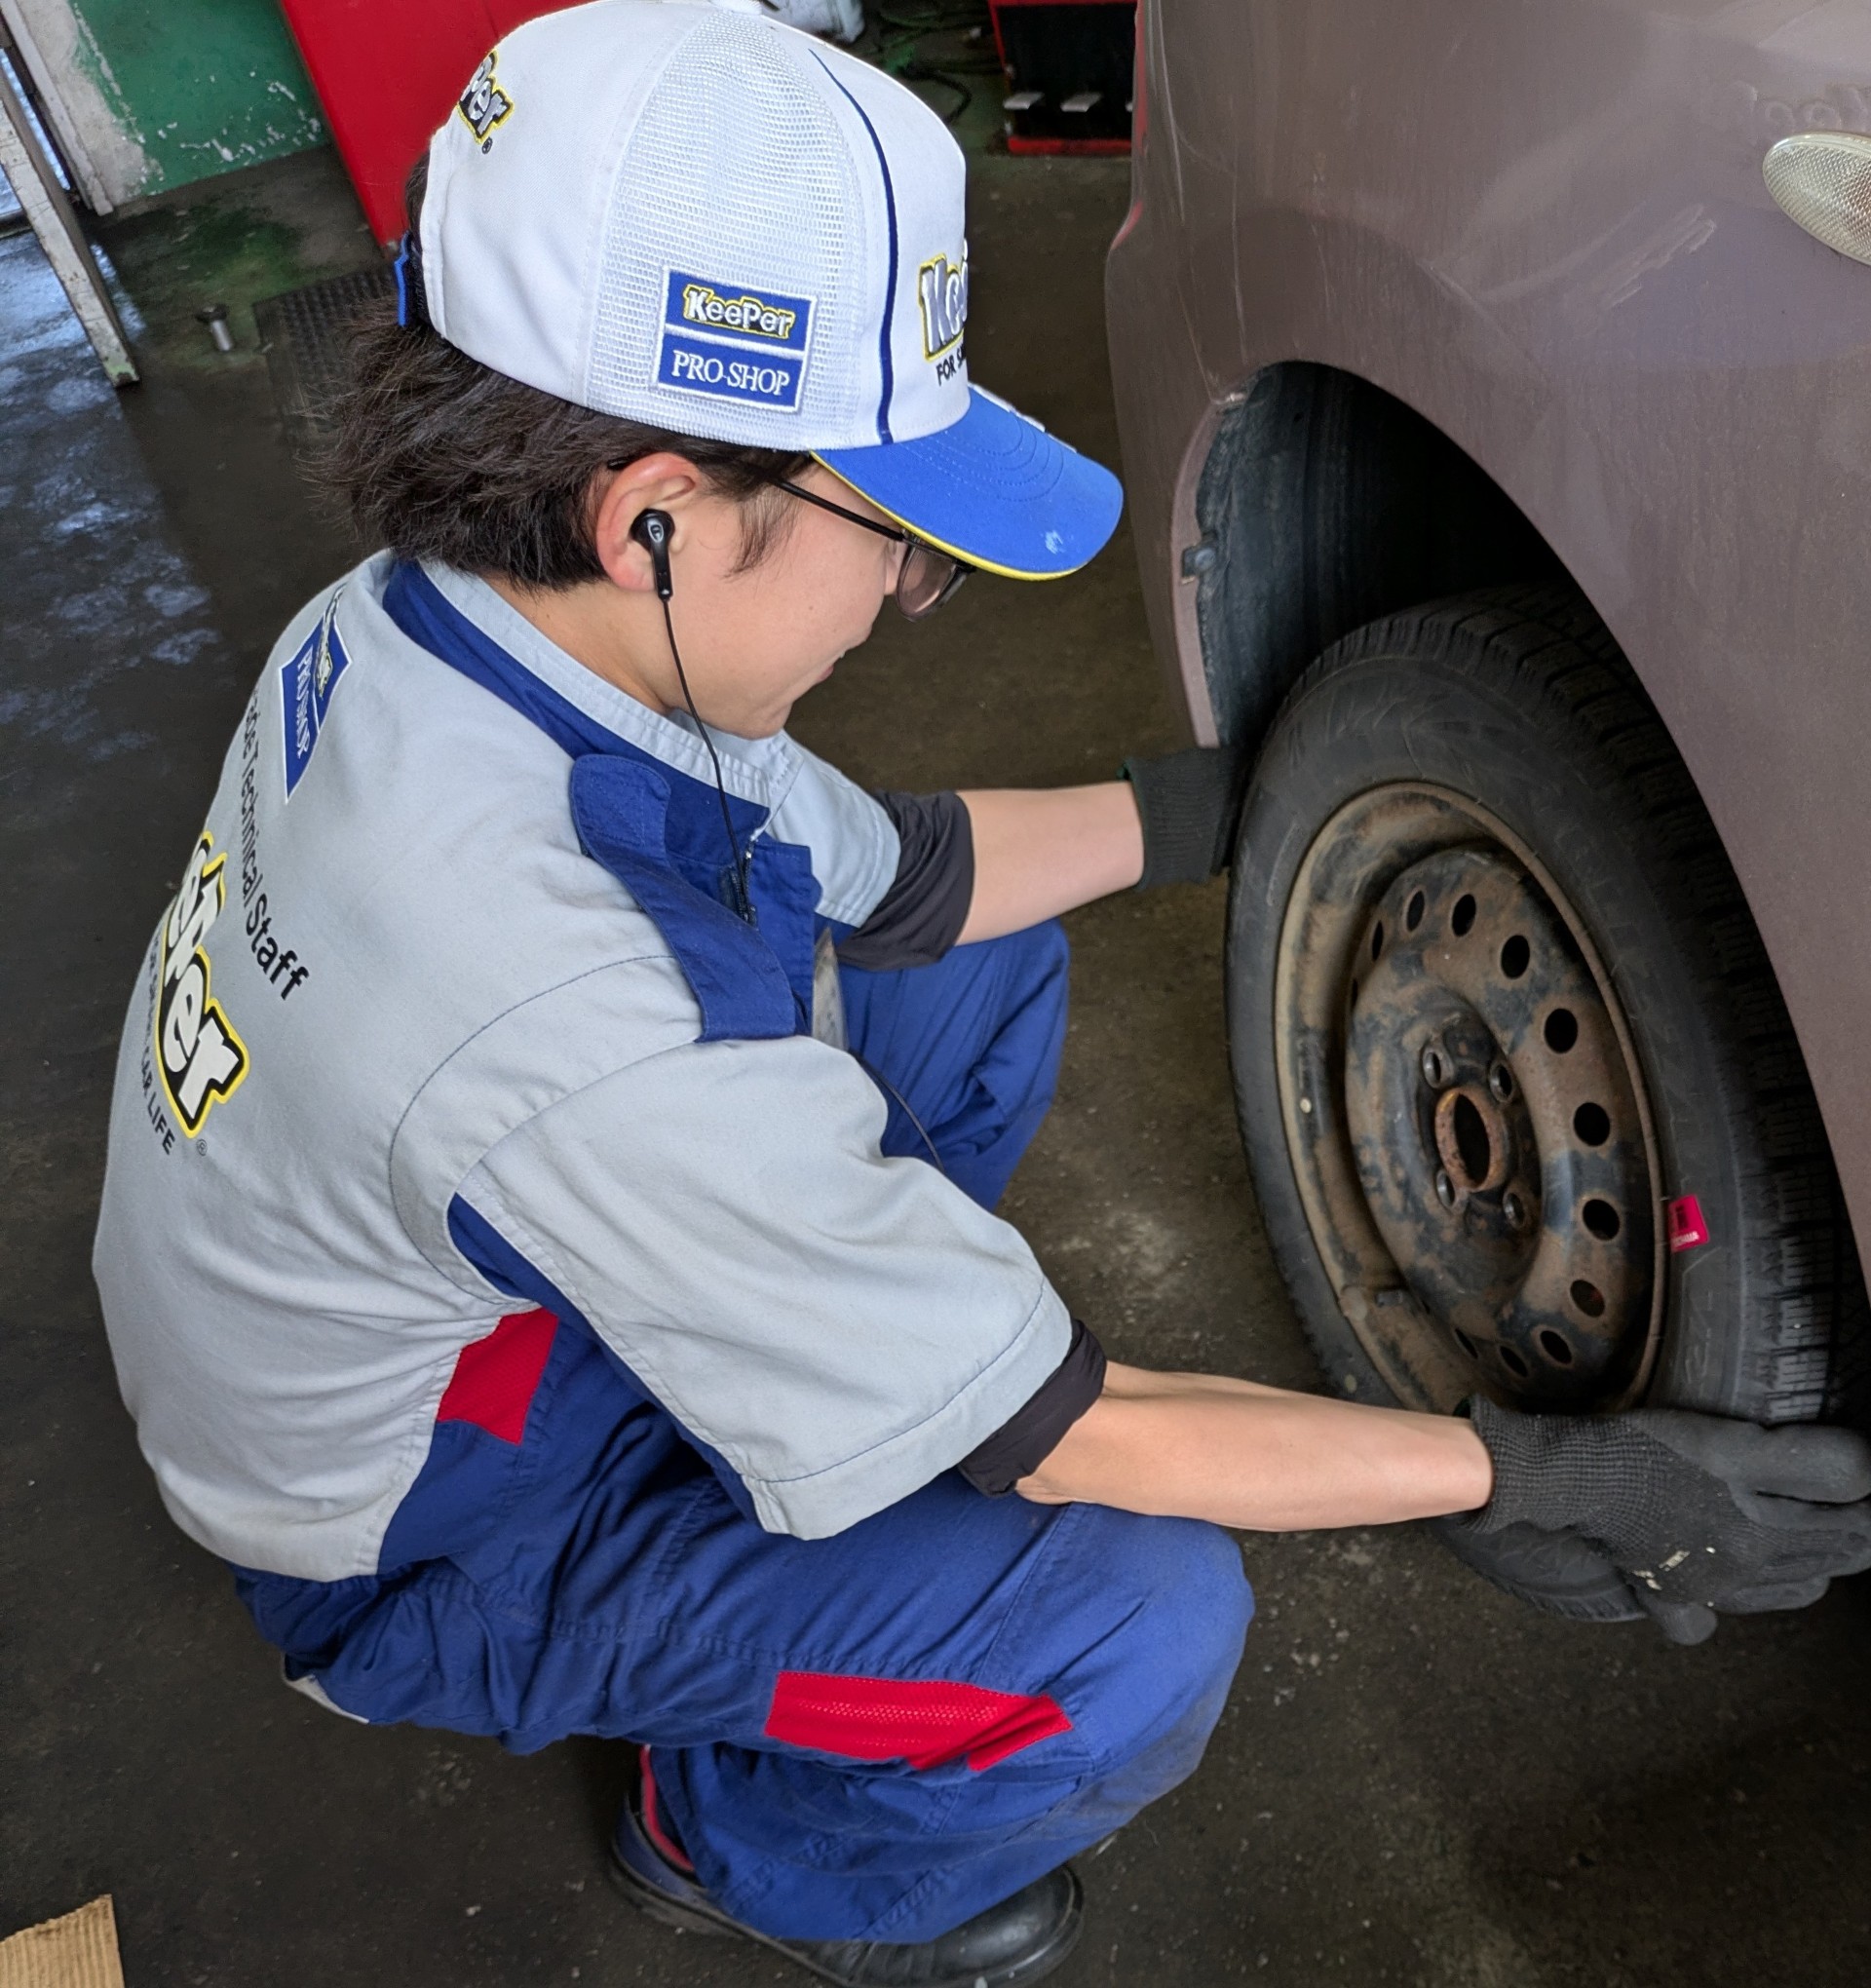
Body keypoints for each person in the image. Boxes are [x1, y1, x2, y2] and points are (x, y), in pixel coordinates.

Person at [92, 6, 1871, 1984]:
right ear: (655, 510)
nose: (901, 597)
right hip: (425, 1521)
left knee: (975, 960)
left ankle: (831, 1376)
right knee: (1122, 1632)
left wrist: (1236, 790)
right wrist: (1525, 1471)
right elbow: (1064, 1432)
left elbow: (917, 879)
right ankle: (736, 1834)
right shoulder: (557, 1000)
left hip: (431, 1280)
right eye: (895, 544)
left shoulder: (461, 623)